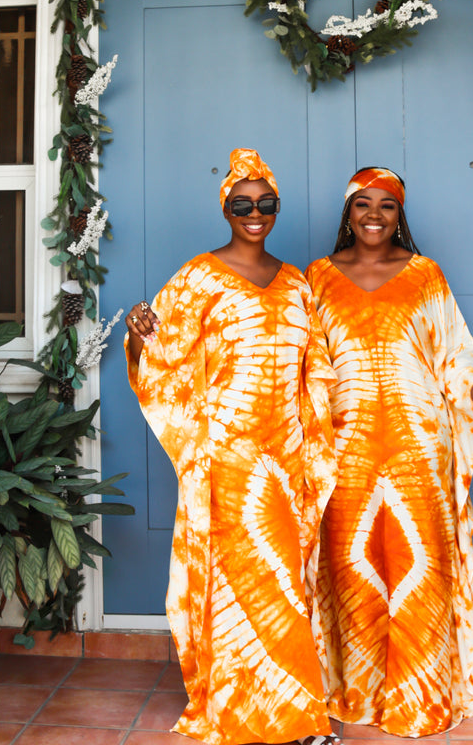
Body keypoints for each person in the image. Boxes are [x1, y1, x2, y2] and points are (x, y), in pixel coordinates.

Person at [125, 148, 339, 745]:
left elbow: (316, 371)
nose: (254, 212)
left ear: (277, 208)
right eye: (242, 204)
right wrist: (140, 340)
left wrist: (321, 442)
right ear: (226, 208)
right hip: (226, 457)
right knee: (240, 586)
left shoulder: (296, 282)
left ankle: (294, 715)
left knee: (284, 587)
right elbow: (165, 362)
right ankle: (251, 713)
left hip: (288, 457)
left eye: (264, 203)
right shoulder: (198, 276)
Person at [304, 166, 473, 737]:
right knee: (350, 567)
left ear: (400, 215)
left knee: (421, 566)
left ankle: (420, 694)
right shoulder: (315, 278)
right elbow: (298, 360)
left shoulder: (425, 275)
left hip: (420, 443)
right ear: (348, 213)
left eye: (386, 205)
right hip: (345, 448)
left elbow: (455, 352)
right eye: (362, 204)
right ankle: (356, 691)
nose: (374, 215)